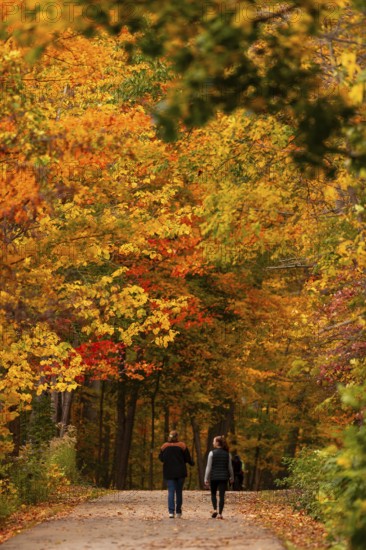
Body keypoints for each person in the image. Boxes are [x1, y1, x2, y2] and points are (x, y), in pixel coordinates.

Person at [158, 430, 194, 518]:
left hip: (169, 472)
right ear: (177, 437)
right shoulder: (182, 445)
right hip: (180, 472)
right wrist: (192, 463)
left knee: (171, 491)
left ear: (169, 437)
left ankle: (171, 512)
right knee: (178, 491)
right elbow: (187, 458)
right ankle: (178, 511)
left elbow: (161, 458)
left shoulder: (164, 446)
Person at [204, 435, 234, 519]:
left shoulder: (211, 453)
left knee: (213, 494)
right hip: (224, 478)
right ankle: (220, 514)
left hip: (214, 477)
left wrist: (205, 478)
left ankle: (215, 510)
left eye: (214, 441)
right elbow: (230, 467)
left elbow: (208, 467)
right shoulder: (227, 454)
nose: (213, 442)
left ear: (217, 443)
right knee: (222, 495)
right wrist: (232, 477)